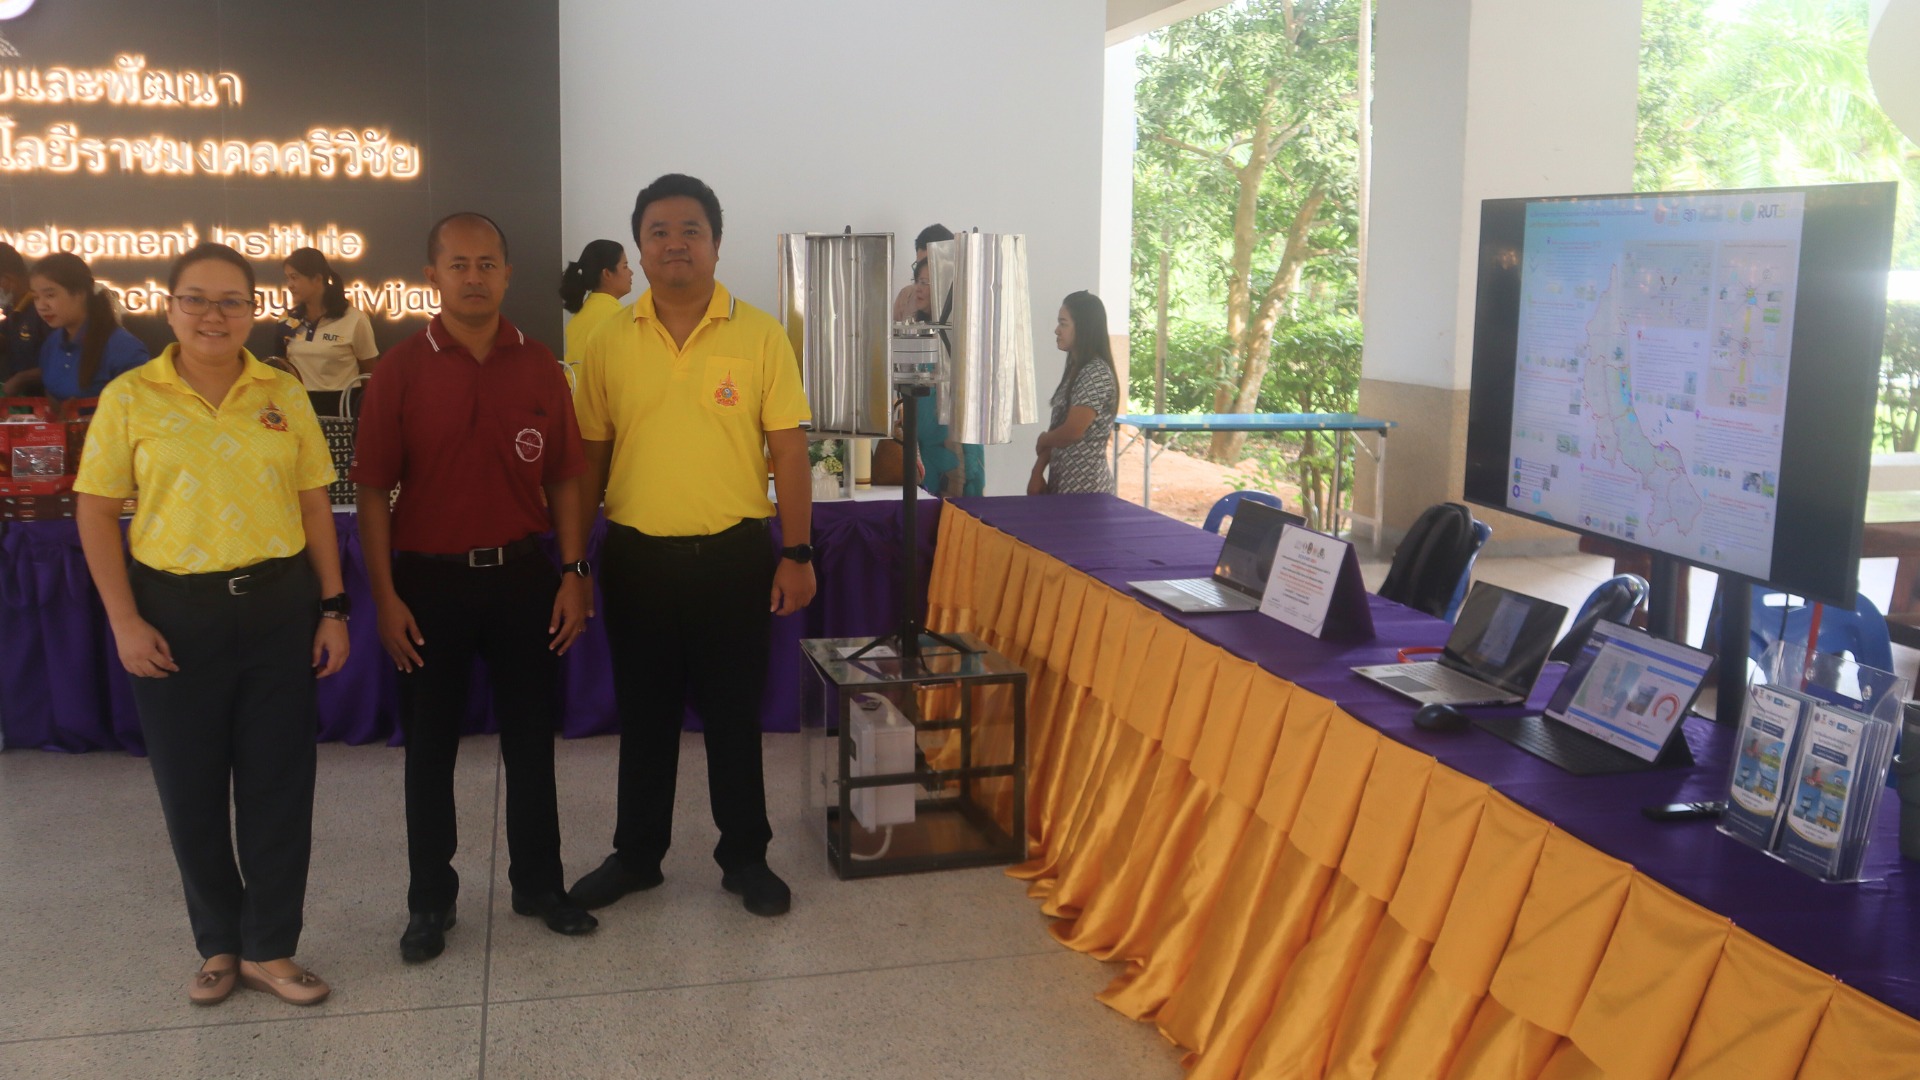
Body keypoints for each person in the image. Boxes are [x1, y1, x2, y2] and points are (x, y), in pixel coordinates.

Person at [70, 243, 349, 1007]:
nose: (213, 315)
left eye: (231, 300)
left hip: (277, 608)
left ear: (253, 311)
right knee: (190, 789)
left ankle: (271, 947)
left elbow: (313, 504)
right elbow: (94, 510)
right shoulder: (131, 396)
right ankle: (219, 944)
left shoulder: (280, 391)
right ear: (168, 308)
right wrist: (124, 619)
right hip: (173, 612)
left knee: (279, 785)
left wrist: (332, 608)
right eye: (195, 299)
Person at [352, 212, 598, 964]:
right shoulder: (398, 369)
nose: (473, 277)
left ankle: (540, 885)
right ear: (433, 275)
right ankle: (431, 900)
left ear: (507, 274)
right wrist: (386, 596)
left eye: (487, 264)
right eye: (457, 264)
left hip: (526, 578)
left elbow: (565, 477)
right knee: (430, 751)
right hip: (428, 584)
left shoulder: (539, 366)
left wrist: (573, 572)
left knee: (531, 742)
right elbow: (369, 493)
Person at [568, 173, 815, 918]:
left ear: (715, 241)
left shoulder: (761, 332)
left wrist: (797, 553)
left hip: (735, 556)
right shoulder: (609, 338)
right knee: (643, 716)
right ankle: (638, 856)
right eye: (659, 232)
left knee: (734, 715)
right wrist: (574, 564)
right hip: (638, 559)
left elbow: (791, 453)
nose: (675, 244)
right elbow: (588, 464)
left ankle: (745, 856)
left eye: (691, 230)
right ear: (638, 247)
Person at [2, 253, 149, 402]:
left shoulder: (125, 349)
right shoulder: (52, 344)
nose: (41, 306)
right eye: (36, 297)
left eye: (50, 295)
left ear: (81, 292)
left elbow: (141, 409)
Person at [900, 257, 984, 497]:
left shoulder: (962, 334)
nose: (918, 287)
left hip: (953, 446)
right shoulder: (916, 330)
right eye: (917, 280)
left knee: (959, 515)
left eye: (926, 282)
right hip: (921, 448)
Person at [271, 247, 379, 417]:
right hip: (299, 409)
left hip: (342, 411)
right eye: (287, 278)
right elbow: (280, 369)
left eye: (295, 277)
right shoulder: (287, 320)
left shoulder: (354, 319)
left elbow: (369, 374)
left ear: (317, 279)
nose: (289, 285)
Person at [1031, 291, 1119, 495]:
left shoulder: (1096, 372)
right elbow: (1058, 429)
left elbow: (1072, 431)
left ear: (1083, 328)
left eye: (1063, 323)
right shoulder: (1077, 369)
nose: (1056, 330)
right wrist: (1037, 472)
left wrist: (1044, 439)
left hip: (1087, 491)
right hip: (1063, 487)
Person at [560, 239, 633, 370]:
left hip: (571, 389)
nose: (631, 272)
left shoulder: (580, 315)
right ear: (607, 274)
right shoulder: (617, 317)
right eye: (625, 266)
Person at [0, 243, 49, 386]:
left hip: (42, 401)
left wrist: (21, 378)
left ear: (7, 279)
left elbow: (65, 361)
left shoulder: (44, 310)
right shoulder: (13, 309)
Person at [892, 222, 955, 322]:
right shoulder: (906, 297)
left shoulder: (963, 307)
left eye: (928, 266)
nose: (921, 273)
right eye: (918, 265)